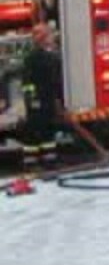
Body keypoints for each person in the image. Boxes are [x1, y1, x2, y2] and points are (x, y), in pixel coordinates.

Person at [17, 17, 63, 173]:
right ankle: (33, 163)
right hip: (39, 101)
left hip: (46, 100)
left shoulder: (46, 55)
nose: (51, 38)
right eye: (49, 36)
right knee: (36, 131)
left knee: (47, 130)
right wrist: (32, 99)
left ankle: (48, 160)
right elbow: (28, 81)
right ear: (43, 38)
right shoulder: (34, 57)